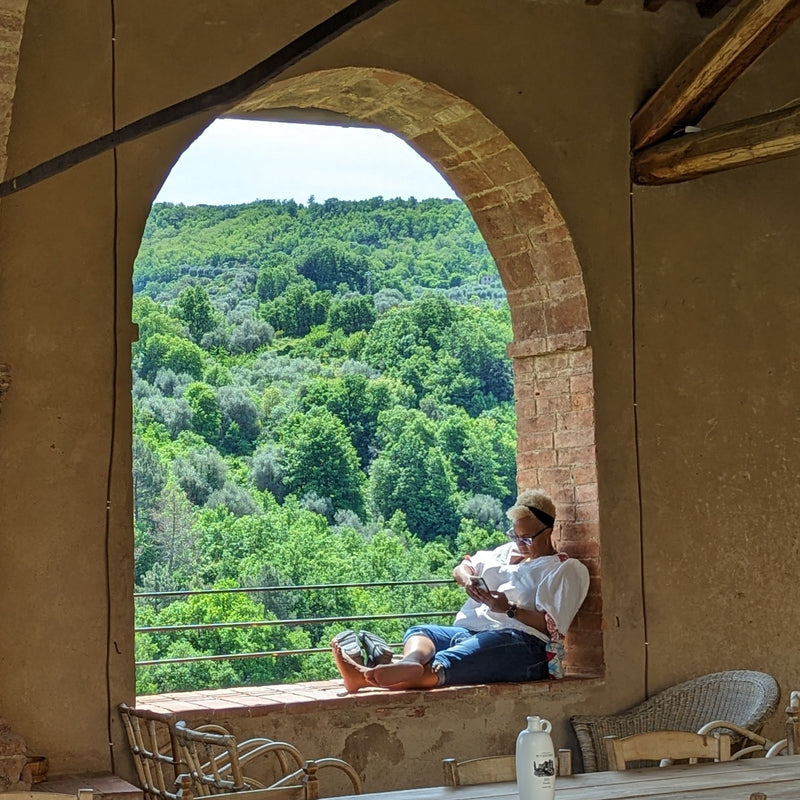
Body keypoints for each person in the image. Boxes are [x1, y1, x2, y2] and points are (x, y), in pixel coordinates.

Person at [331, 488, 590, 693]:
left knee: (454, 659)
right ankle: (410, 661)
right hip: (469, 631)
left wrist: (509, 609)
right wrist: (468, 581)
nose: (519, 544)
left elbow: (552, 629)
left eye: (527, 538)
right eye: (515, 535)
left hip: (520, 643)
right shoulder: (503, 552)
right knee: (421, 632)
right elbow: (461, 567)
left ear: (549, 530)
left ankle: (364, 680)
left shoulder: (564, 569)